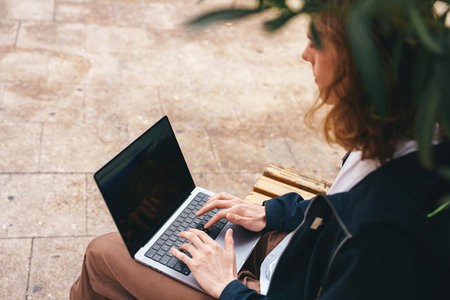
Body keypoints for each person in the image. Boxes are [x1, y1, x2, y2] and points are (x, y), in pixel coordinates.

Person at [70, 0, 450, 299]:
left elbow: (358, 227)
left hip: (271, 289)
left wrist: (228, 286)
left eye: (316, 41)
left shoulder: (382, 231)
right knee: (182, 238)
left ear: (359, 69)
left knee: (103, 255)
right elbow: (339, 209)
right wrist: (271, 213)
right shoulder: (418, 138)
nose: (305, 53)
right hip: (297, 262)